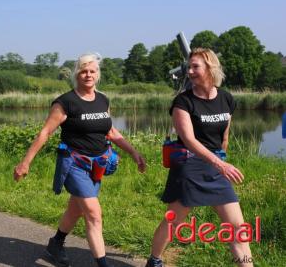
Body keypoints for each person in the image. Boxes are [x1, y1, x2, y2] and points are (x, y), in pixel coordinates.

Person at [14, 53, 146, 267]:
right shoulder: (66, 102)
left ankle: (55, 244)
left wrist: (133, 152)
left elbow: (110, 131)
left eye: (92, 71)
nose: (88, 74)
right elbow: (45, 132)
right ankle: (103, 264)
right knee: (94, 213)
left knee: (76, 209)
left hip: (98, 165)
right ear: (77, 74)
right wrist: (25, 162)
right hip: (75, 165)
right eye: (84, 71)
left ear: (97, 74)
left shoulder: (103, 99)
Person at [145, 48, 252, 267]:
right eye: (189, 67)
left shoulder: (226, 99)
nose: (190, 71)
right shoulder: (183, 102)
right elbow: (189, 139)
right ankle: (154, 261)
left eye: (196, 67)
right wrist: (220, 163)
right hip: (189, 165)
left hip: (216, 167)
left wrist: (221, 158)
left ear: (210, 68)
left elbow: (224, 135)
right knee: (173, 220)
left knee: (238, 228)